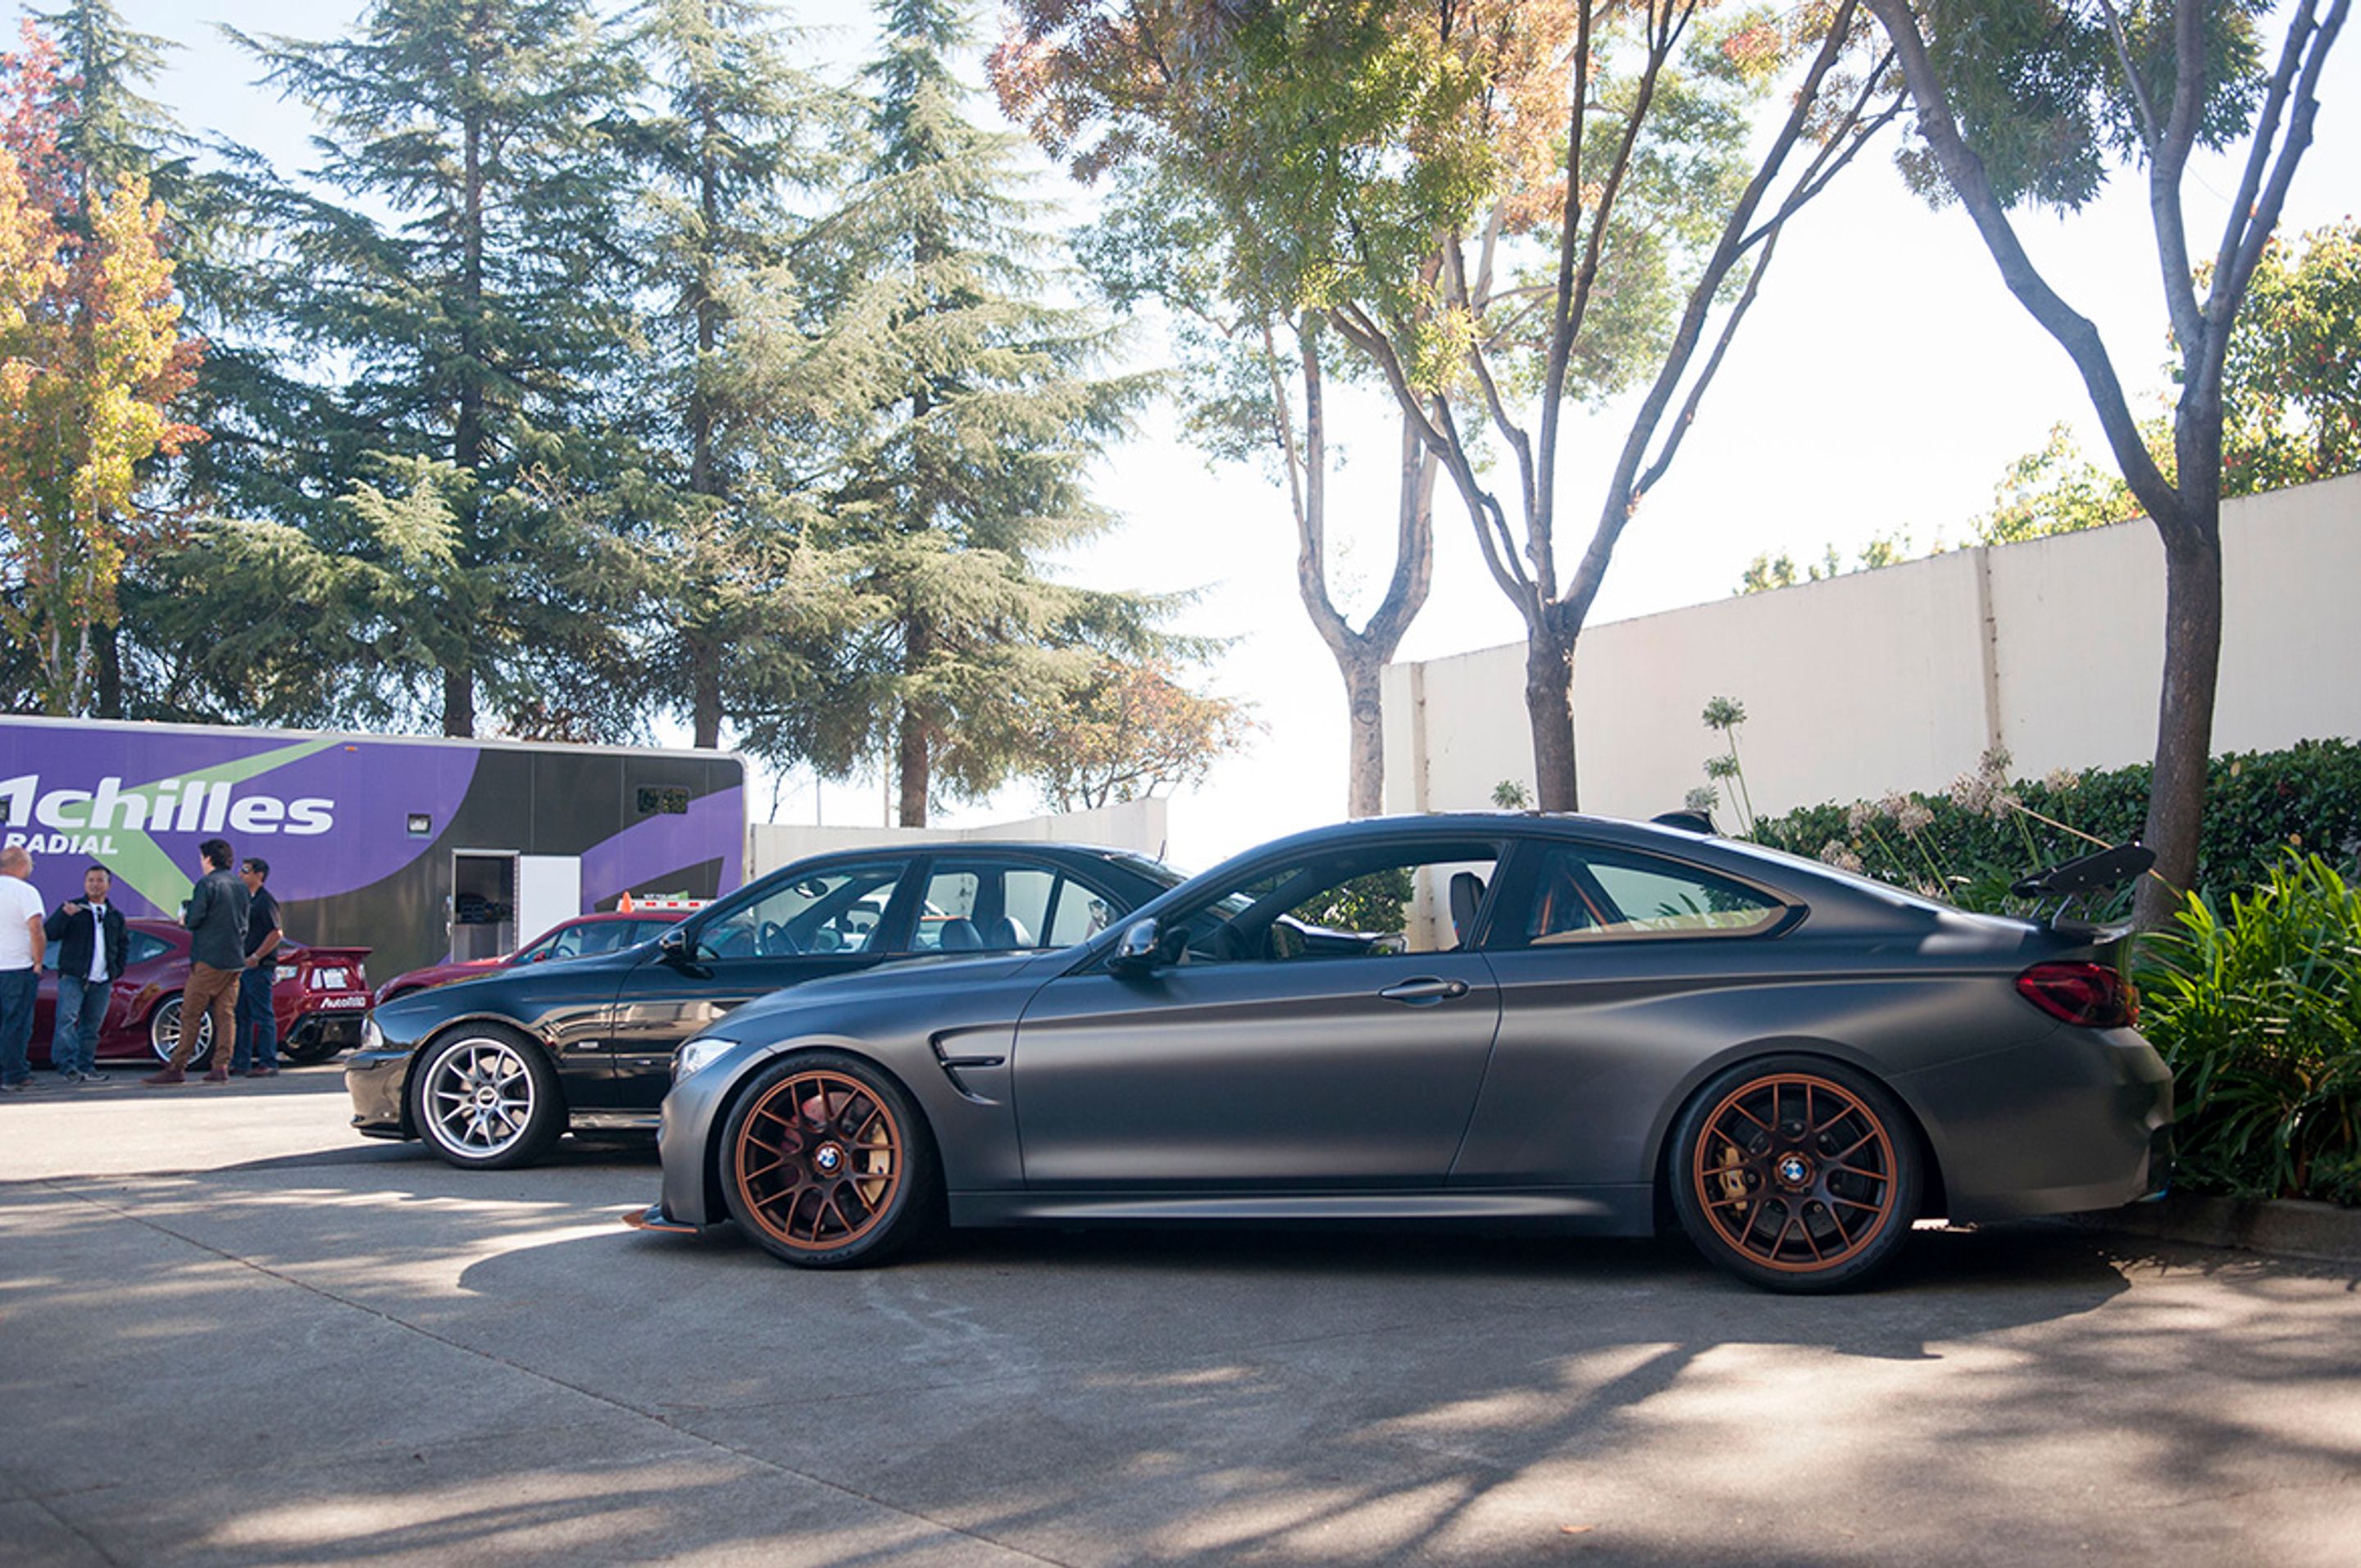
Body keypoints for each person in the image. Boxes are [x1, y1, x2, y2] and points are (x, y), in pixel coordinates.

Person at [145, 838, 248, 1086]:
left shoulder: (207, 883)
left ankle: (177, 1066)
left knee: (191, 1013)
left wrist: (186, 915)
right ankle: (221, 1065)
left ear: (209, 859)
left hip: (208, 959)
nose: (201, 863)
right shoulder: (240, 885)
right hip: (234, 958)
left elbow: (194, 919)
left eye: (202, 858)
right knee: (225, 1015)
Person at [45, 864, 128, 1084]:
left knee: (92, 1026)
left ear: (109, 885)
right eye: (90, 880)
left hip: (102, 979)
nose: (94, 884)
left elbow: (122, 945)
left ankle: (86, 1066)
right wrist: (64, 916)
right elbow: (50, 933)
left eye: (100, 880)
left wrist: (116, 970)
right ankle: (67, 1066)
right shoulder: (74, 909)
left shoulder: (114, 916)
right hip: (74, 976)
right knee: (67, 1020)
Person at [232, 857, 282, 1077]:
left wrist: (257, 956)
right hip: (243, 967)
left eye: (245, 870)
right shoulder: (247, 900)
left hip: (259, 968)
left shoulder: (265, 901)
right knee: (241, 1014)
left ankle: (268, 1061)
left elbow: (276, 932)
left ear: (259, 876)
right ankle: (241, 1061)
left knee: (262, 1014)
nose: (240, 874)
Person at [0, 845, 44, 1093]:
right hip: (17, 967)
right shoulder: (25, 892)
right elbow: (35, 928)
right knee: (15, 1023)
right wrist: (38, 961)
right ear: (20, 865)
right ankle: (14, 1074)